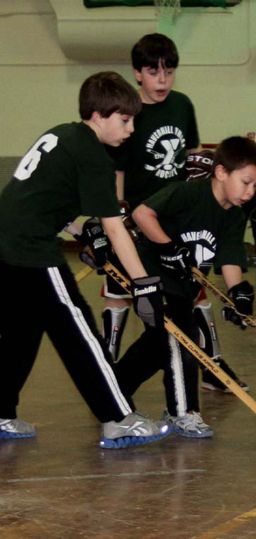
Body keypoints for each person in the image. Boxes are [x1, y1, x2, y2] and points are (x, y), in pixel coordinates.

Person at [0, 71, 169, 448]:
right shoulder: (93, 154)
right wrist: (144, 282)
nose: (130, 128)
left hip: (5, 243)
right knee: (78, 331)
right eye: (124, 120)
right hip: (31, 249)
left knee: (21, 332)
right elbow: (116, 228)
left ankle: (1, 412)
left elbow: (43, 195)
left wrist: (79, 230)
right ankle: (118, 417)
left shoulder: (62, 133)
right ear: (97, 115)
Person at [101, 33, 248, 394]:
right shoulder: (128, 113)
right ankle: (106, 367)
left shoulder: (182, 105)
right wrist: (118, 216)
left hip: (179, 216)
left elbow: (195, 155)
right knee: (119, 292)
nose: (162, 79)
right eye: (153, 72)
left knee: (193, 288)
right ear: (137, 74)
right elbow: (117, 168)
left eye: (169, 71)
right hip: (142, 216)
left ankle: (211, 363)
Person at [114, 135, 256, 438]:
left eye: (255, 186)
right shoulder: (188, 193)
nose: (250, 192)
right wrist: (167, 246)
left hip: (183, 287)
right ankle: (183, 412)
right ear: (221, 172)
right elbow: (141, 214)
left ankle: (112, 388)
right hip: (152, 279)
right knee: (182, 342)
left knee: (156, 346)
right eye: (245, 182)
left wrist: (238, 292)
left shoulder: (235, 215)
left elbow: (229, 256)